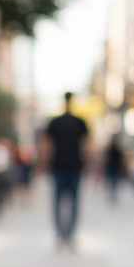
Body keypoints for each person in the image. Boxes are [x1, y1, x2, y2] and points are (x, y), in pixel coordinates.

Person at [44, 92, 88, 247]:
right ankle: (71, 234)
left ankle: (59, 235)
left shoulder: (55, 122)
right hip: (74, 166)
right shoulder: (79, 122)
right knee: (74, 201)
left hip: (59, 166)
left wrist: (41, 165)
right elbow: (86, 147)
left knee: (57, 201)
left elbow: (47, 147)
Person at [104, 134, 125, 202]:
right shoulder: (113, 149)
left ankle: (113, 194)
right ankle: (113, 194)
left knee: (113, 182)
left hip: (114, 167)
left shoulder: (112, 149)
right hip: (113, 167)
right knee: (113, 182)